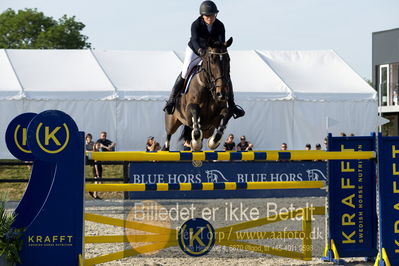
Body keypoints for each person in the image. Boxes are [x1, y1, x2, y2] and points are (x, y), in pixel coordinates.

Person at [163, 1, 244, 119]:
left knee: (223, 74)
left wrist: (219, 49)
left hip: (212, 53)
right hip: (196, 50)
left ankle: (232, 105)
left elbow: (220, 42)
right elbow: (195, 40)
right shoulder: (195, 24)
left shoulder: (220, 25)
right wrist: (200, 51)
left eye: (212, 15)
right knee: (186, 70)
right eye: (207, 16)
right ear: (202, 16)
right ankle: (171, 100)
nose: (210, 18)